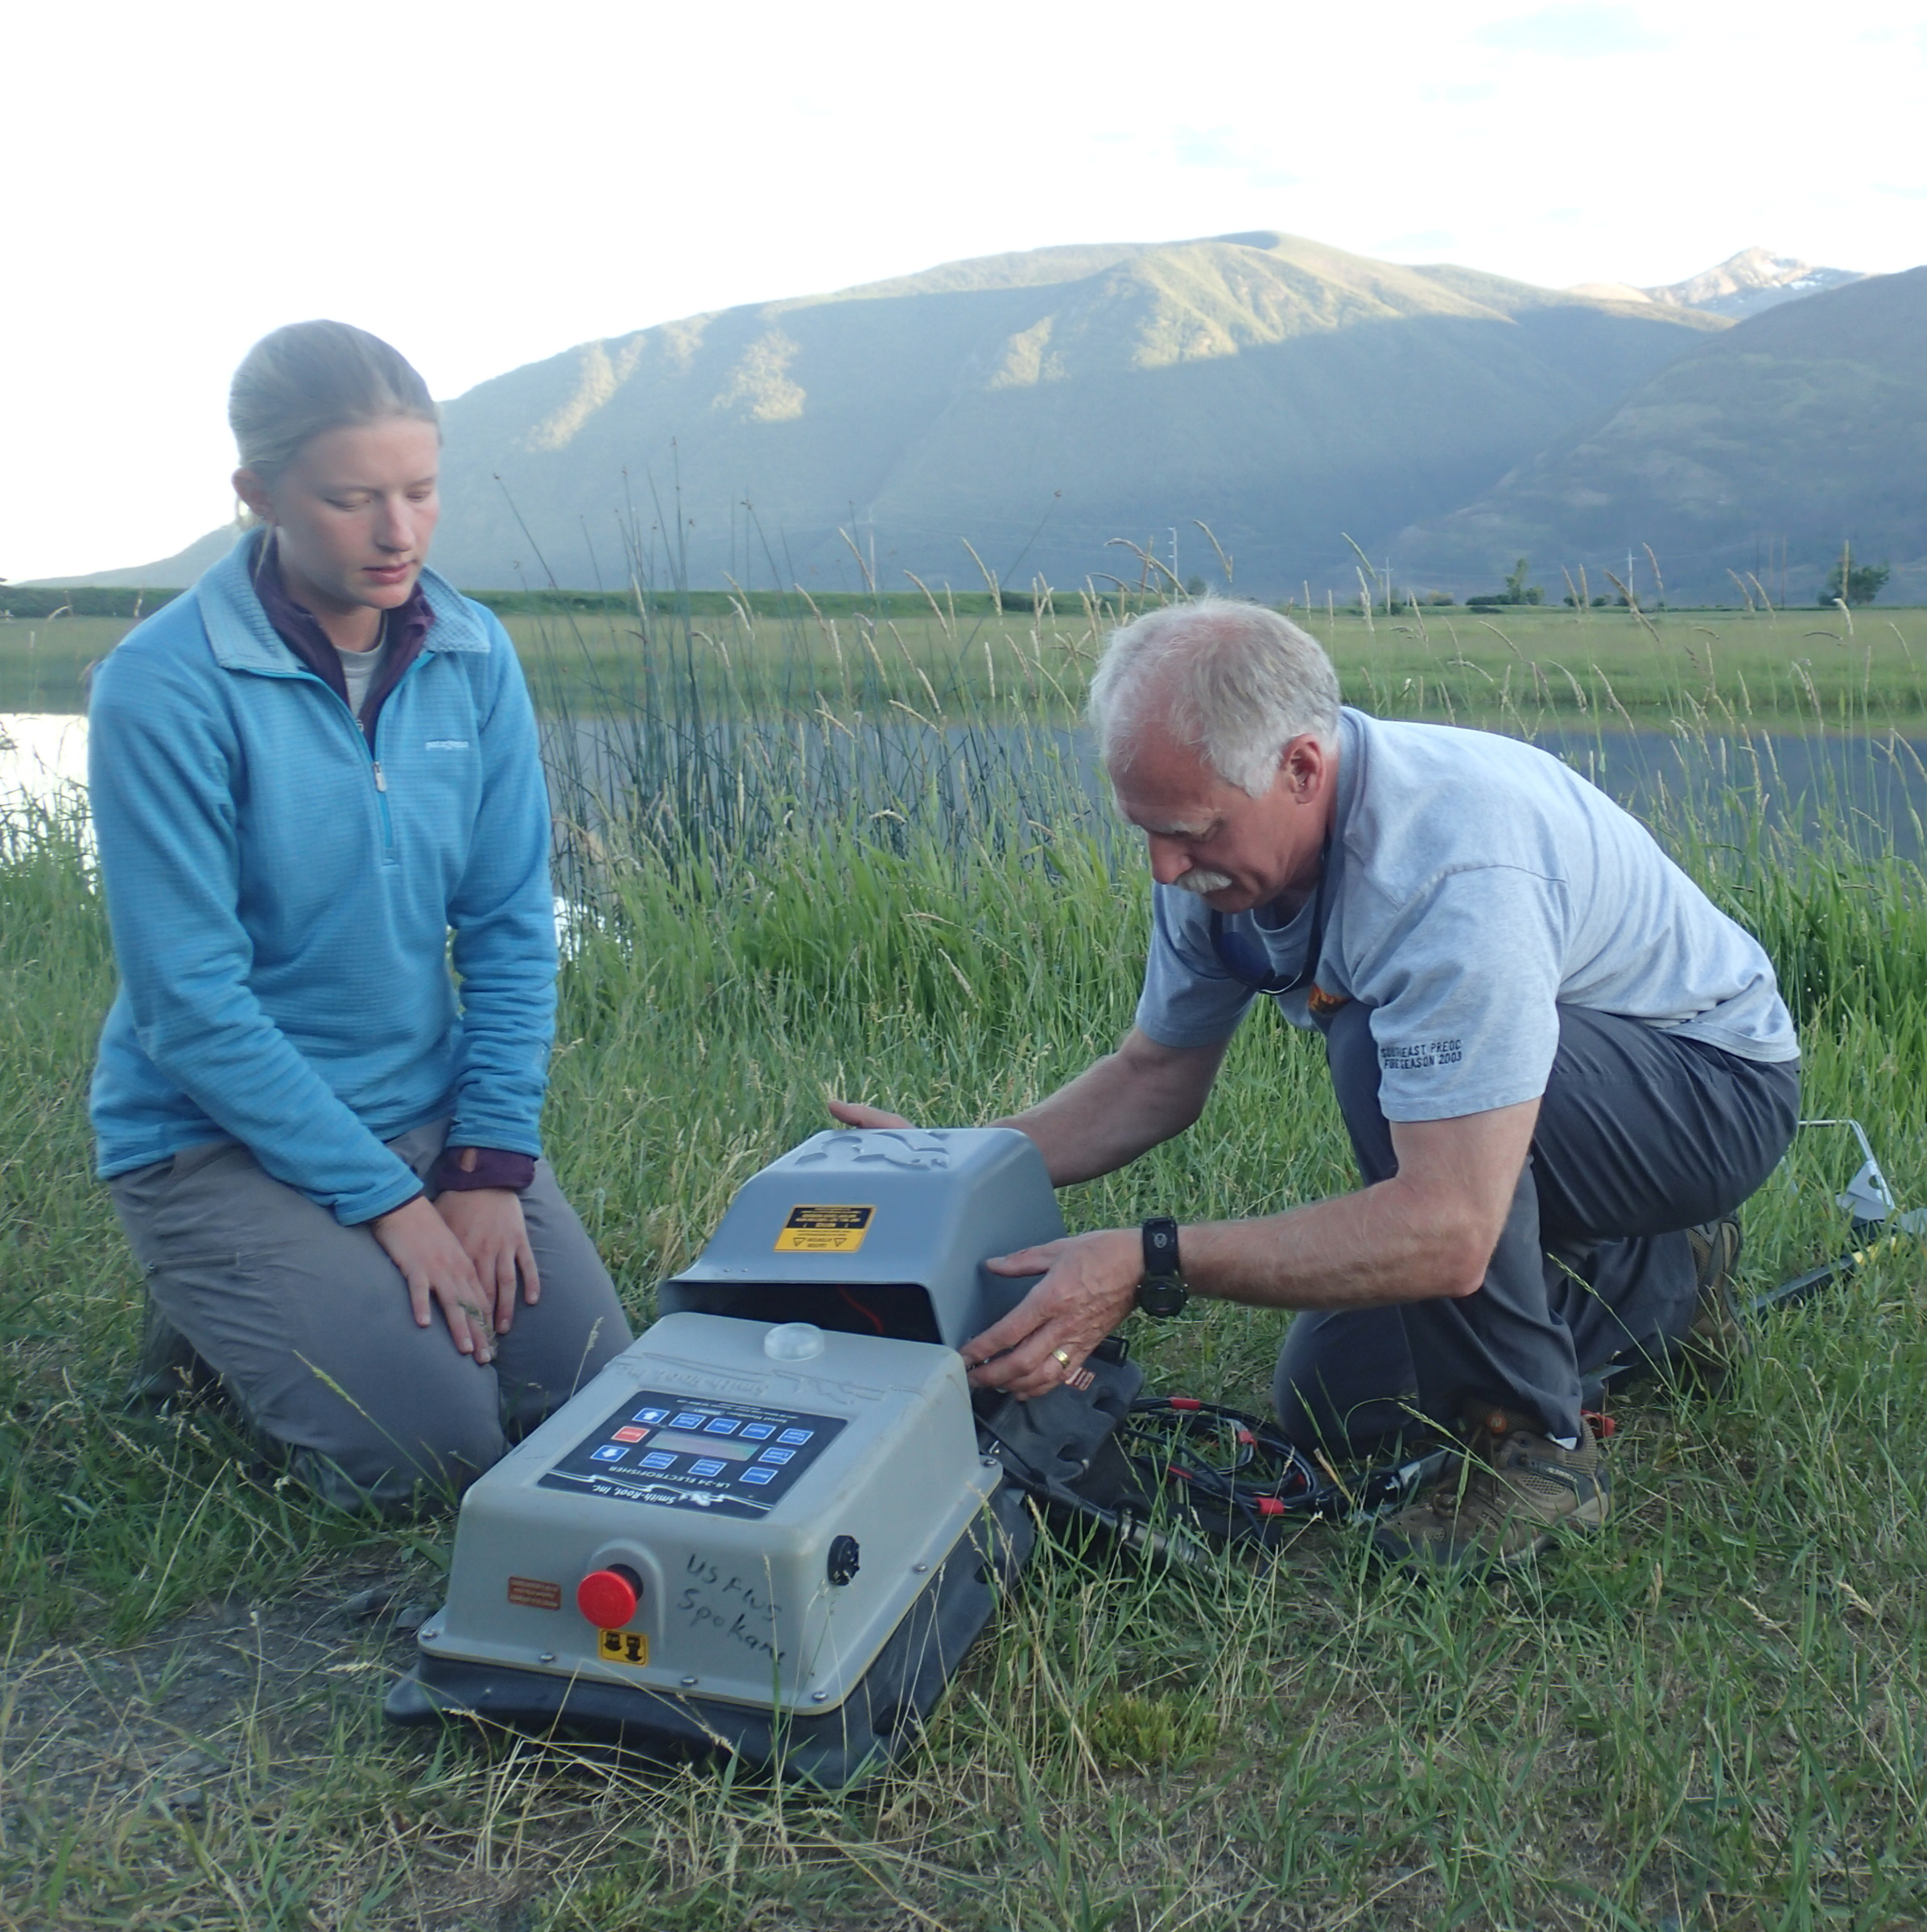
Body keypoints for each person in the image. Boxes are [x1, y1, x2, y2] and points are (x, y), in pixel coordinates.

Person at [832, 601, 1801, 1567]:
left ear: (1300, 768)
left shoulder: (1446, 863)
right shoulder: (1212, 861)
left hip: (1705, 1094)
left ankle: (1533, 1454)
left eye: (1191, 832)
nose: (1165, 868)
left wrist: (1151, 1258)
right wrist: (948, 1167)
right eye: (1147, 831)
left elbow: (1446, 1228)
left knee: (1371, 1049)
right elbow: (1153, 1077)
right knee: (1333, 1399)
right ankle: (1665, 1277)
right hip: (1554, 1101)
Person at [86, 320, 632, 1513]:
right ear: (257, 494)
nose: (398, 534)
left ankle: (291, 1299)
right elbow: (189, 1007)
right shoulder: (161, 686)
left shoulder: (473, 654)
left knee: (595, 1396)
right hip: (212, 1135)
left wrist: (482, 1167)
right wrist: (387, 1205)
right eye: (350, 500)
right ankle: (219, 1293)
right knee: (437, 1455)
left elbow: (509, 927)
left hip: (422, 1111)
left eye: (420, 491)